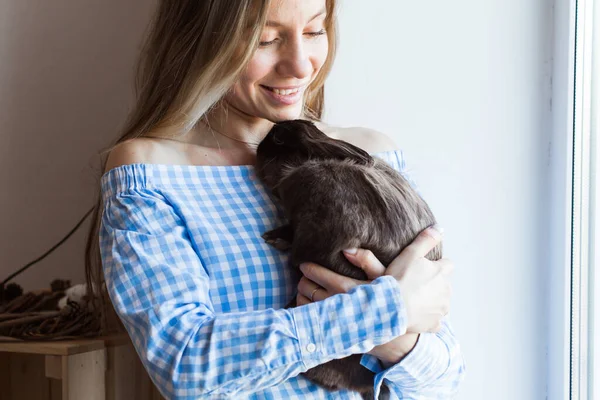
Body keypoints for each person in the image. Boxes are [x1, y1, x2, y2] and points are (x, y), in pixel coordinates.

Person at [84, 0, 466, 398]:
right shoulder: (150, 173)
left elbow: (443, 374)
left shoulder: (371, 155)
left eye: (314, 31)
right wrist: (387, 312)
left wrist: (392, 336)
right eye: (265, 39)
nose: (300, 66)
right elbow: (188, 367)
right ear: (202, 40)